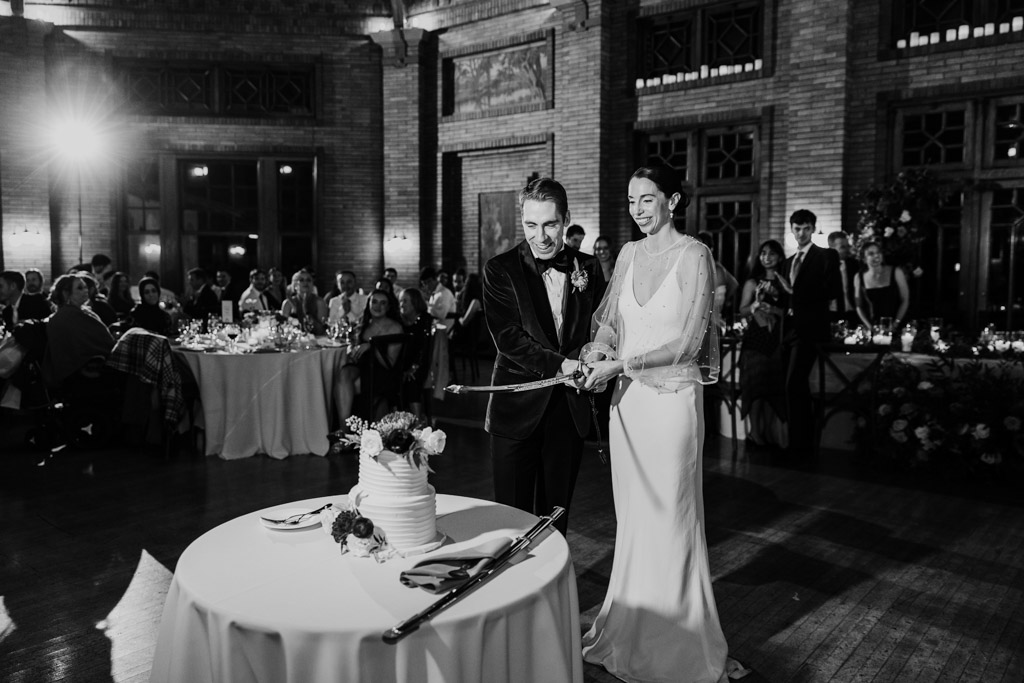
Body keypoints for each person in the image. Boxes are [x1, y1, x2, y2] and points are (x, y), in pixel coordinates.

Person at [579, 164, 742, 682]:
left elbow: (690, 344)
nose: (637, 210)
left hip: (671, 406)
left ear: (673, 200)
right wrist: (599, 350)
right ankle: (628, 625)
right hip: (626, 406)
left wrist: (620, 364)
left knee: (671, 517)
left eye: (647, 199)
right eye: (631, 201)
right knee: (633, 519)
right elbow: (608, 320)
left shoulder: (696, 255)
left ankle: (679, 641)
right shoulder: (626, 255)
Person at [482, 177, 604, 536]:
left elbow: (598, 329)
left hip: (568, 410)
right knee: (512, 523)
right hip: (515, 411)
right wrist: (562, 365)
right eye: (531, 225)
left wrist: (596, 357)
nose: (541, 236)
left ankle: (551, 592)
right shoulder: (500, 269)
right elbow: (509, 340)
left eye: (550, 224)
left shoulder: (589, 268)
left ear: (565, 219)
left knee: (554, 521)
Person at [782, 209, 842, 457]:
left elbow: (833, 290)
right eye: (797, 228)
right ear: (792, 230)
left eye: (806, 228)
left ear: (813, 229)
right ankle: (796, 440)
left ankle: (801, 444)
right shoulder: (788, 262)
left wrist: (795, 293)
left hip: (813, 329)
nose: (801, 233)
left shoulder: (826, 256)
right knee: (792, 385)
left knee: (794, 383)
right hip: (790, 331)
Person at [738, 239, 790, 448]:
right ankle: (754, 432)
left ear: (779, 257)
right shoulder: (753, 282)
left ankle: (769, 433)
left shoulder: (785, 282)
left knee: (773, 390)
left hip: (777, 339)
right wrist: (754, 307)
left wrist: (777, 311)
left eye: (772, 253)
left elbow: (791, 310)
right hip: (756, 339)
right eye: (763, 253)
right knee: (755, 388)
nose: (767, 257)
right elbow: (742, 309)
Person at [335, 289, 404, 422]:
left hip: (383, 373)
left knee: (346, 385)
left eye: (383, 303)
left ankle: (351, 429)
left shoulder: (395, 328)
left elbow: (389, 364)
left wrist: (373, 346)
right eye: (374, 302)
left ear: (389, 307)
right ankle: (343, 429)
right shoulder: (364, 323)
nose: (378, 306)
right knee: (342, 374)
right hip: (362, 368)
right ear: (369, 304)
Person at [42, 274, 115, 388]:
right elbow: (96, 344)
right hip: (82, 374)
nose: (85, 290)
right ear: (66, 293)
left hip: (86, 369)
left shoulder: (83, 312)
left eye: (86, 287)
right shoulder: (68, 316)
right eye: (80, 288)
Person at [854, 240, 910, 330]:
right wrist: (869, 326)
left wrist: (896, 323)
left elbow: (905, 300)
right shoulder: (859, 277)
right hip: (874, 326)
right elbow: (859, 306)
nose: (876, 256)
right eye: (871, 254)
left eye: (878, 252)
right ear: (864, 259)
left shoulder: (896, 272)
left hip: (897, 325)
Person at [398, 287, 433, 418]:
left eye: (405, 301)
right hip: (403, 363)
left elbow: (424, 348)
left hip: (420, 362)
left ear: (415, 302)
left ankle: (417, 422)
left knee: (412, 381)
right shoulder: (400, 320)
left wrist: (414, 367)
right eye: (400, 301)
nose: (401, 304)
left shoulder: (425, 319)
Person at [698, 230, 740, 328]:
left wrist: (727, 301)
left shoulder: (717, 269)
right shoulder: (695, 267)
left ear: (711, 249)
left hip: (710, 320)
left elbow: (734, 285)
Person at [281, 269, 328, 335]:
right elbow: (284, 329)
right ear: (295, 285)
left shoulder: (319, 302)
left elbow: (321, 330)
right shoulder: (288, 303)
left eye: (308, 280)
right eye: (301, 280)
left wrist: (306, 310)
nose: (305, 283)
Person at [827, 230, 859, 325]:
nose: (847, 249)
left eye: (847, 246)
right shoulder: (824, 265)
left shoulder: (855, 264)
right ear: (831, 248)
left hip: (852, 312)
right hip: (831, 313)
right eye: (842, 247)